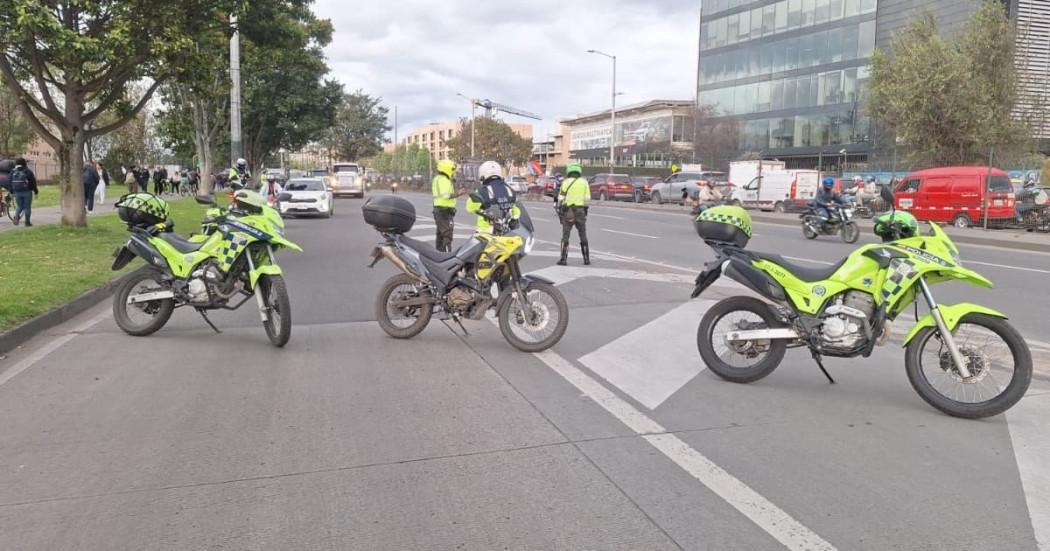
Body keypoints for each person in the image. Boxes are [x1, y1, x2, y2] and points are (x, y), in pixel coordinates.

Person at [466, 160, 519, 234]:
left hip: (485, 234)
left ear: (483, 174)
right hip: (505, 233)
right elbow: (516, 211)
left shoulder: (483, 191)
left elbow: (470, 208)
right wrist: (513, 219)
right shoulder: (509, 189)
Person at [557, 163, 590, 266]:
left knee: (565, 235)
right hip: (580, 211)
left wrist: (560, 208)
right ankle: (586, 259)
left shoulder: (566, 182)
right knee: (583, 235)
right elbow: (587, 199)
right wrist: (584, 209)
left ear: (569, 172)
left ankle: (563, 259)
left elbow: (561, 198)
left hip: (569, 211)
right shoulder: (584, 182)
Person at [431, 159, 460, 252]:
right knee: (447, 234)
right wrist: (458, 193)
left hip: (440, 210)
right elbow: (446, 195)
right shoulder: (443, 180)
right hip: (444, 211)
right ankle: (447, 256)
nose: (454, 172)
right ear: (447, 169)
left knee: (440, 234)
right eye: (452, 170)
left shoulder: (438, 178)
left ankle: (439, 254)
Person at [10, 157, 38, 226]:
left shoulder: (13, 171)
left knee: (19, 206)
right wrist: (35, 191)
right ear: (24, 163)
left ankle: (16, 217)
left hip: (17, 191)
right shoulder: (27, 171)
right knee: (27, 207)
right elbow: (33, 182)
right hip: (27, 191)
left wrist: (11, 192)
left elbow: (9, 182)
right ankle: (27, 222)